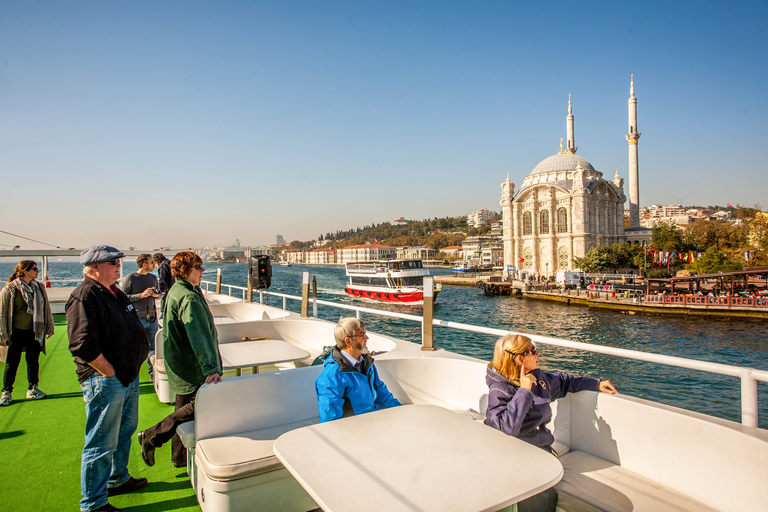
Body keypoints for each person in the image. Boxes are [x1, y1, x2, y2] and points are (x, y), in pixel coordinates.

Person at [484, 334, 618, 512]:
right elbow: (507, 427)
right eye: (534, 352)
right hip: (514, 453)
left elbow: (564, 382)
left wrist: (595, 384)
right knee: (539, 492)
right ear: (519, 359)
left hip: (539, 451)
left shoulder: (538, 378)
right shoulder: (500, 389)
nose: (538, 355)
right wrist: (524, 391)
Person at [67, 245, 149, 512]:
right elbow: (82, 344)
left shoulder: (114, 292)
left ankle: (117, 478)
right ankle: (93, 503)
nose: (118, 265)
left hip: (127, 376)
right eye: (111, 262)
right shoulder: (85, 296)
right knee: (101, 440)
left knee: (123, 432)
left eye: (117, 261)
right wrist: (108, 371)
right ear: (94, 268)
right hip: (107, 380)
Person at [138, 252, 221, 469]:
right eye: (198, 267)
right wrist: (211, 367)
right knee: (199, 403)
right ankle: (152, 435)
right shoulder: (189, 297)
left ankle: (178, 457)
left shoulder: (179, 290)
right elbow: (199, 335)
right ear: (184, 270)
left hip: (179, 361)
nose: (202, 271)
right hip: (190, 364)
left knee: (182, 406)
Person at [315, 317, 401, 422]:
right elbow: (330, 420)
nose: (367, 338)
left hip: (374, 419)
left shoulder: (366, 362)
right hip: (356, 428)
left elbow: (381, 393)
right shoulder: (332, 376)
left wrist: (400, 412)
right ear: (348, 341)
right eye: (362, 335)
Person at [0, 260, 55, 406]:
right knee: (11, 363)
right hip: (16, 332)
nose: (37, 271)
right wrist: (3, 335)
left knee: (33, 361)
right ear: (24, 271)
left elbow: (46, 308)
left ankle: (33, 388)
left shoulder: (39, 288)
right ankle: (7, 392)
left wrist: (49, 326)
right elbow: (2, 312)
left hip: (35, 332)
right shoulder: (10, 289)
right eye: (34, 269)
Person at [121, 254, 159, 380]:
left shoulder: (153, 278)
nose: (154, 264)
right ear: (144, 264)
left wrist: (155, 295)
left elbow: (158, 295)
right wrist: (141, 296)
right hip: (137, 319)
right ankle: (132, 375)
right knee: (135, 348)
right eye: (152, 262)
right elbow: (123, 298)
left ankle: (153, 375)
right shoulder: (131, 278)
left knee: (153, 348)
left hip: (152, 318)